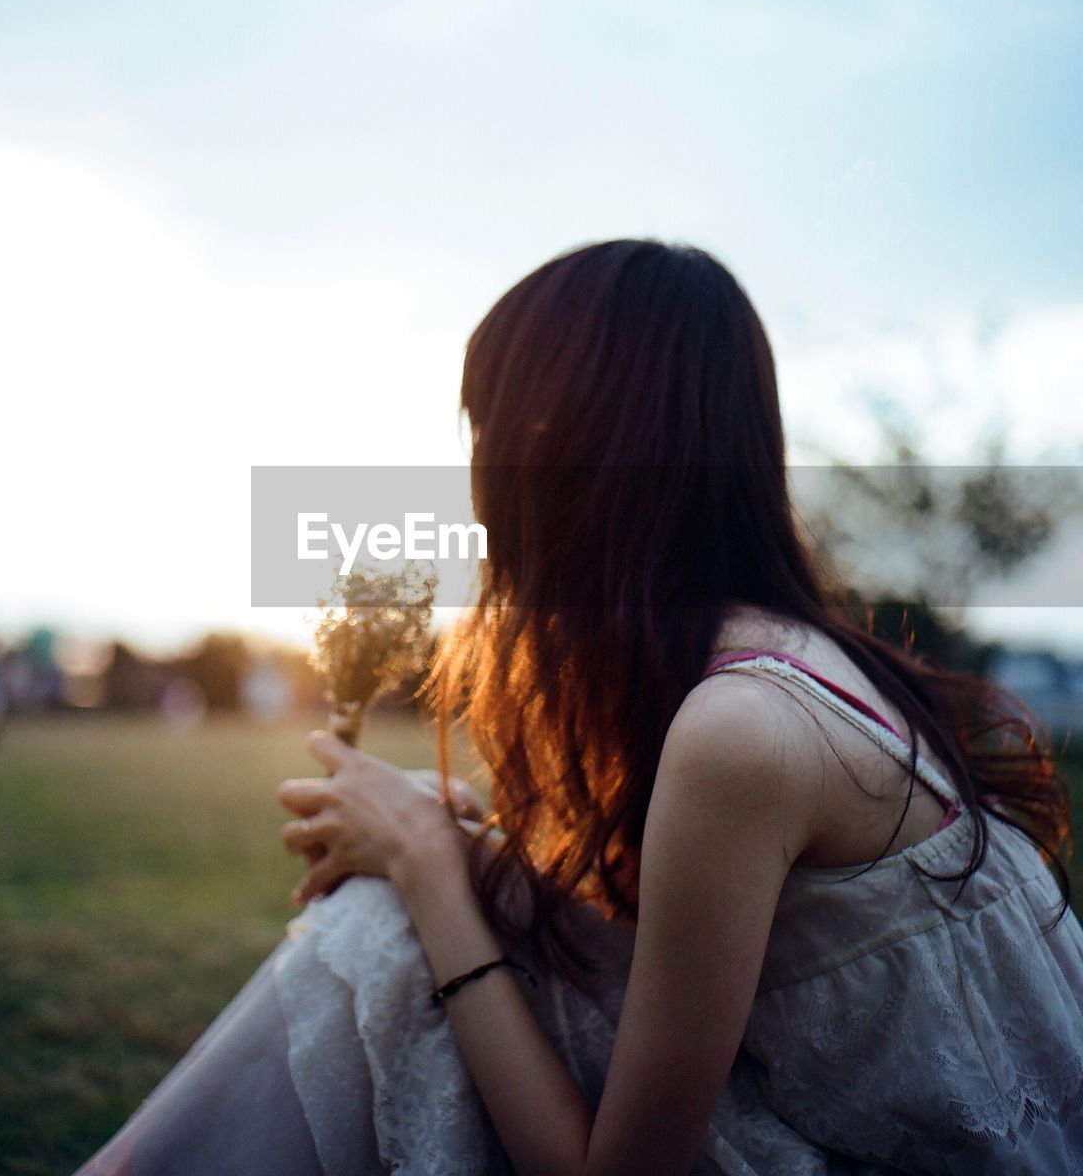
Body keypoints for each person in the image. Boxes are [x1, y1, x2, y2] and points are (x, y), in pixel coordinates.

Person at [74, 239, 1083, 1175]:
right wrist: (460, 846)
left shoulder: (740, 729)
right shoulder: (777, 660)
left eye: (488, 431)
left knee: (388, 929)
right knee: (456, 898)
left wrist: (428, 868)